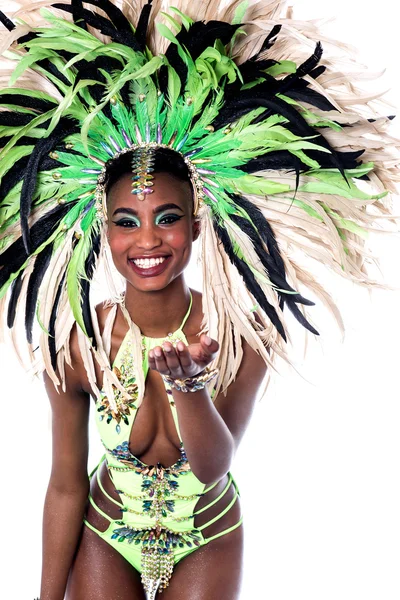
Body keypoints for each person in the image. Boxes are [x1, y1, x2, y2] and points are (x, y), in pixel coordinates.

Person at [0, 1, 398, 599]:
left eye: (167, 217)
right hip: (106, 532)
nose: (148, 240)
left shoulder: (245, 334)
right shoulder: (77, 343)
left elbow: (214, 466)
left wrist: (190, 386)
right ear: (99, 226)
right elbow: (64, 486)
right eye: (125, 222)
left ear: (197, 219)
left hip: (208, 536)